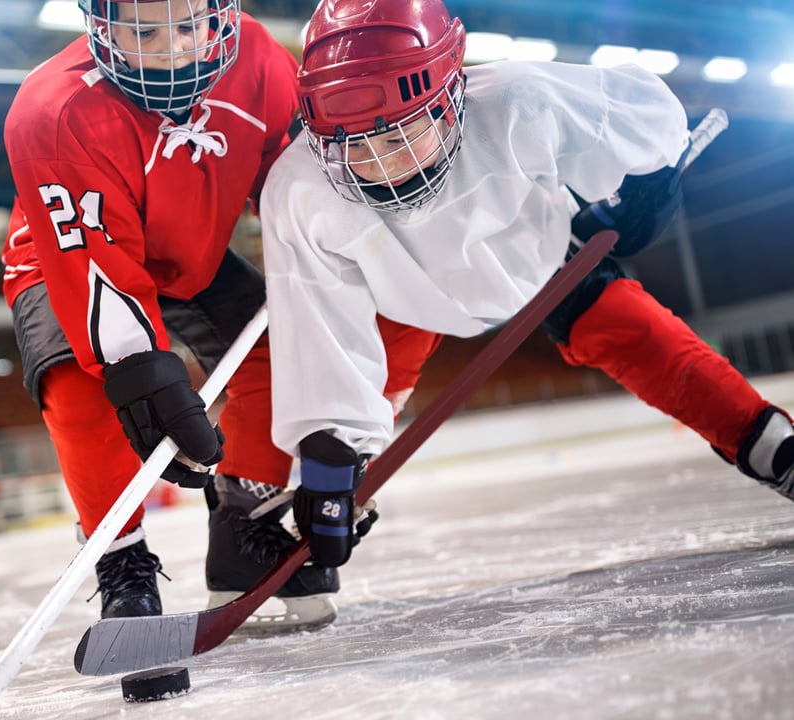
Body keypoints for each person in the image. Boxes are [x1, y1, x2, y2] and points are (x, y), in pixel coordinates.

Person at [258, 0, 794, 569]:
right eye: (354, 146)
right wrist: (327, 461)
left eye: (396, 139)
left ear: (450, 93)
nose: (380, 168)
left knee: (634, 330)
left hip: (535, 257)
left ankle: (771, 447)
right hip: (401, 295)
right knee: (353, 436)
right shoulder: (300, 191)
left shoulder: (518, 100)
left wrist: (649, 182)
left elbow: (635, 116)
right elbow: (319, 324)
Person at [1, 0, 387, 629]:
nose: (173, 50)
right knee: (78, 387)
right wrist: (142, 377)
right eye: (146, 31)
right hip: (67, 257)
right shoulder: (51, 109)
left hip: (189, 253)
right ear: (102, 26)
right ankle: (120, 562)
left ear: (220, 17)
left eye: (186, 27)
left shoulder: (261, 61)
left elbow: (298, 190)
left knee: (285, 349)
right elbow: (93, 266)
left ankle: (243, 525)